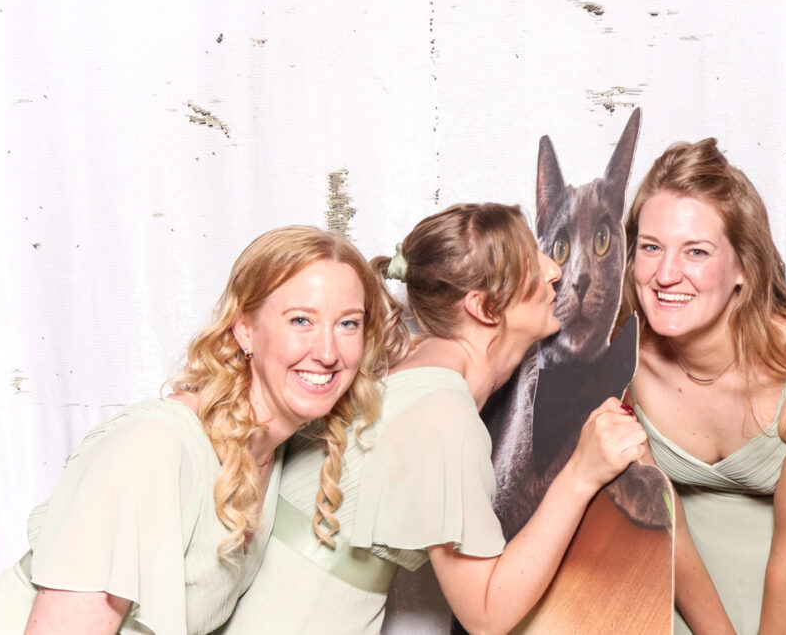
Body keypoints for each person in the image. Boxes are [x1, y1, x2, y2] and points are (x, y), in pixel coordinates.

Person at [220, 203, 647, 635]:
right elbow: (486, 613)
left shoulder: (405, 363)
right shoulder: (444, 416)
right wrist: (580, 476)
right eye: (528, 261)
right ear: (483, 307)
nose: (553, 271)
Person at [0, 226, 405, 635]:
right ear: (245, 330)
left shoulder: (269, 450)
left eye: (348, 324)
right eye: (301, 320)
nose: (328, 352)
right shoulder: (154, 446)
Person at [620, 140, 786, 635]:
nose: (665, 274)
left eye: (696, 251)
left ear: (743, 267)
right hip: (683, 565)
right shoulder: (619, 358)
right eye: (651, 247)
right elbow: (661, 516)